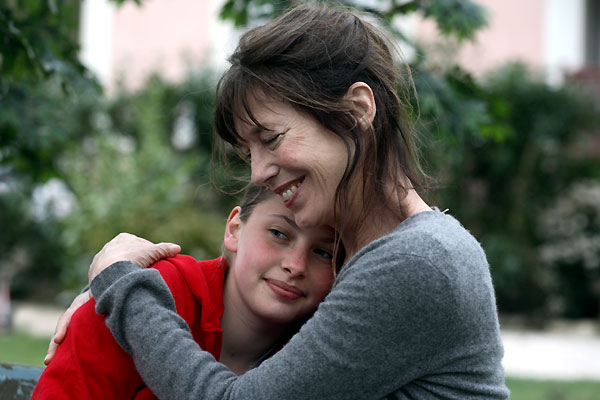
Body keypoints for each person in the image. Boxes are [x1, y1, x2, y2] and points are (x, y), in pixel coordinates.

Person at [50, 4, 510, 399]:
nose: (258, 173)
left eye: (271, 138)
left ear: (355, 112)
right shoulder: (365, 262)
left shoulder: (417, 262)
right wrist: (100, 307)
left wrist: (121, 287)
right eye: (249, 152)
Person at [34, 184, 338, 399]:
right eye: (278, 234)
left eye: (323, 252)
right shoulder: (142, 291)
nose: (296, 265)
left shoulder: (332, 348)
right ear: (234, 229)